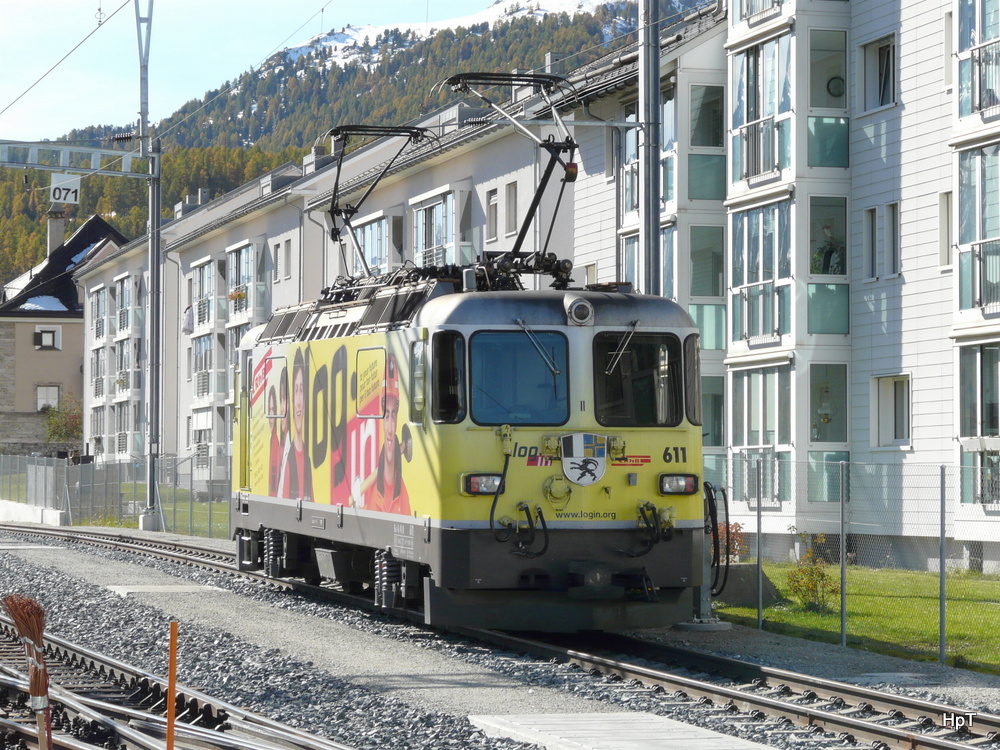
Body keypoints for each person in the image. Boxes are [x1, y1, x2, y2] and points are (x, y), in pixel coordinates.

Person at [365, 354, 410, 514]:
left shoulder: (403, 494)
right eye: (386, 415)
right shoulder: (371, 492)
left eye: (393, 415)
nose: (390, 429)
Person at [278, 350, 313, 501]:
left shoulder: (307, 458)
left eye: (301, 391)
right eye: (296, 391)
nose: (298, 402)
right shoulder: (287, 459)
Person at [267, 384, 282, 495]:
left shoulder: (276, 442)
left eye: (273, 409)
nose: (271, 415)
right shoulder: (272, 439)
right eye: (269, 409)